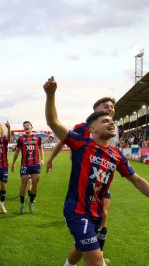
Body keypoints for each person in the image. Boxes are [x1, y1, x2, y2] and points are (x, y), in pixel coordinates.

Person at [43, 76, 149, 266]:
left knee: (80, 248)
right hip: (77, 211)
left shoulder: (116, 155)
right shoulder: (81, 143)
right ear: (92, 129)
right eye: (105, 120)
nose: (111, 121)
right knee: (96, 260)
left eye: (111, 119)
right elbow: (53, 121)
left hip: (96, 212)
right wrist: (51, 94)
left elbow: (138, 180)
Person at [46, 97, 117, 254]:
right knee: (84, 220)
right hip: (84, 175)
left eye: (112, 107)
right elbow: (63, 140)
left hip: (101, 176)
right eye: (106, 106)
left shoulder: (112, 129)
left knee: (104, 213)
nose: (111, 109)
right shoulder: (82, 127)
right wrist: (51, 158)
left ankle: (99, 250)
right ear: (95, 108)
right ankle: (91, 247)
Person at [11, 121, 44, 214]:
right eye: (24, 125)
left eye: (27, 125)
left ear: (31, 127)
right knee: (24, 183)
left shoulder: (38, 137)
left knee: (35, 184)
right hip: (25, 164)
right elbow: (17, 152)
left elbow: (41, 148)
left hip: (35, 164)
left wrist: (43, 159)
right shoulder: (21, 138)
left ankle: (31, 201)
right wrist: (13, 163)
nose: (26, 126)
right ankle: (22, 204)